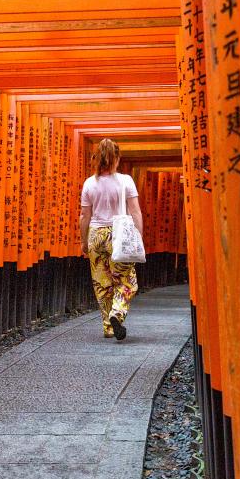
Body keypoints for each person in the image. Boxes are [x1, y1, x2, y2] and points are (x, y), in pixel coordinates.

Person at [79, 138, 143, 340]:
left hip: (96, 235)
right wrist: (138, 238)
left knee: (102, 283)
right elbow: (135, 212)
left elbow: (84, 216)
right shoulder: (125, 181)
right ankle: (118, 312)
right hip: (119, 234)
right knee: (127, 281)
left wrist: (83, 241)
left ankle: (108, 326)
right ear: (117, 158)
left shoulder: (89, 183)